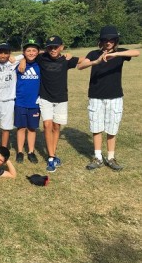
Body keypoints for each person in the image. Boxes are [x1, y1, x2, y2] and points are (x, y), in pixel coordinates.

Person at [78, 25, 139, 171]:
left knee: (112, 129)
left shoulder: (121, 53)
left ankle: (111, 157)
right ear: (101, 40)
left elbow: (136, 52)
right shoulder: (94, 53)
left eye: (111, 39)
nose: (108, 42)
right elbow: (81, 66)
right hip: (96, 96)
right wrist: (96, 62)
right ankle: (98, 157)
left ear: (115, 40)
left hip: (115, 96)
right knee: (96, 127)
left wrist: (116, 55)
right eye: (105, 39)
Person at [21, 36, 83, 172]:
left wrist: (70, 55)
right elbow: (29, 54)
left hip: (61, 98)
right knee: (47, 124)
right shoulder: (42, 58)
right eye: (50, 47)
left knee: (56, 126)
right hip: (45, 97)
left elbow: (83, 61)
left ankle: (53, 154)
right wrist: (22, 60)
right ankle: (50, 157)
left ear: (62, 46)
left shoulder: (66, 60)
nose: (53, 49)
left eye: (56, 47)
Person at [14, 39, 41, 164]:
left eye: (34, 50)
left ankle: (31, 152)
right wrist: (22, 59)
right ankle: (20, 151)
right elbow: (10, 58)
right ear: (24, 52)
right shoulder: (17, 65)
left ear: (38, 52)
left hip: (34, 102)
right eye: (28, 50)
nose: (31, 53)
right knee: (21, 127)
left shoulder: (40, 64)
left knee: (31, 128)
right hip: (20, 101)